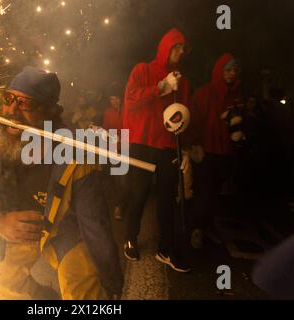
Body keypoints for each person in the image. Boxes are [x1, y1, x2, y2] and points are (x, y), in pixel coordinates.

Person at [0, 66, 123, 300]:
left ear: (50, 112)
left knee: (81, 288)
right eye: (9, 99)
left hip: (65, 232)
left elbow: (94, 224)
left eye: (26, 104)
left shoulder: (77, 154)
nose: (12, 110)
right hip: (19, 227)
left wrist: (112, 279)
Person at [121, 28, 191, 272]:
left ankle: (165, 248)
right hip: (141, 143)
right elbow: (131, 100)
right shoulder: (143, 70)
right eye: (176, 47)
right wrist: (161, 86)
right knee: (138, 194)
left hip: (167, 146)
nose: (180, 52)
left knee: (166, 199)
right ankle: (130, 237)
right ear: (165, 48)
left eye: (183, 49)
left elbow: (183, 115)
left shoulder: (183, 81)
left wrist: (185, 150)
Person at [189, 53, 244, 248]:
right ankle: (196, 229)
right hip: (206, 153)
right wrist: (195, 144)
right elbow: (194, 122)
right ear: (219, 71)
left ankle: (206, 227)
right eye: (227, 70)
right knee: (203, 193)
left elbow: (236, 125)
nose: (231, 73)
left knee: (214, 195)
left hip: (225, 153)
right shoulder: (204, 94)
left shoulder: (236, 96)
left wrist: (238, 137)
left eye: (234, 70)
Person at [102, 83, 126, 220]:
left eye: (116, 98)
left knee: (123, 180)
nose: (114, 101)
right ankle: (117, 204)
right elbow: (106, 129)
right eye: (112, 99)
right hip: (112, 149)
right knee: (113, 179)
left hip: (126, 149)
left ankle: (120, 206)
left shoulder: (128, 110)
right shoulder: (108, 112)